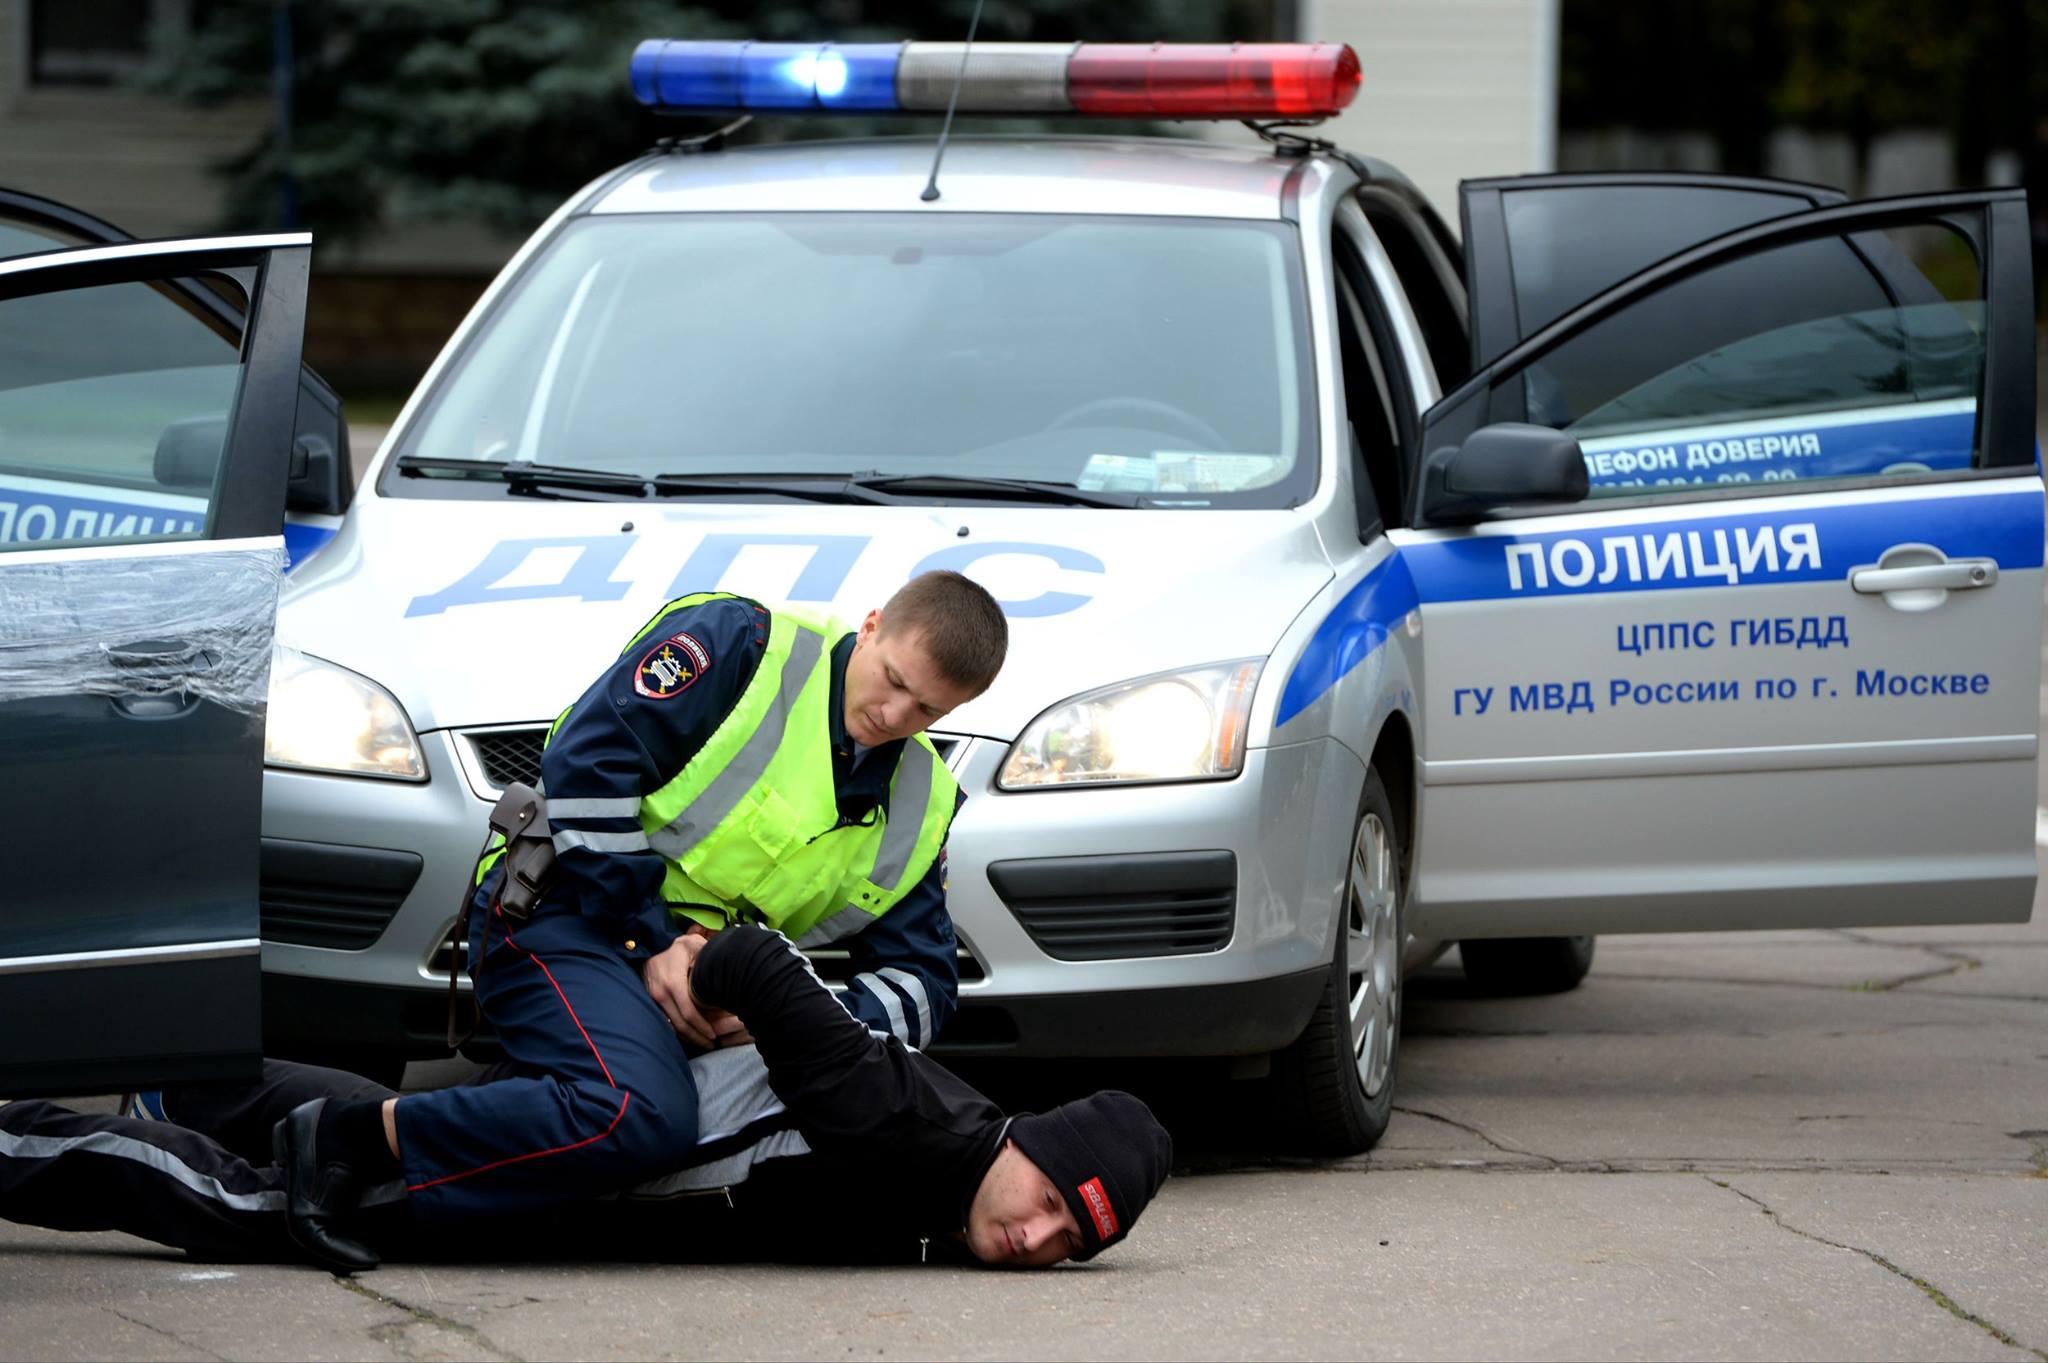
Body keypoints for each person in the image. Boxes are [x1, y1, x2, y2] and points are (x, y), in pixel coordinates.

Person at [272, 571, 1009, 1259]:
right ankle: (342, 1147)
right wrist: (648, 939)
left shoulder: (923, 803)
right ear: (873, 625)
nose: (893, 716)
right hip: (569, 913)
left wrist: (783, 1014)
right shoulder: (742, 644)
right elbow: (585, 764)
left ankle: (249, 1109)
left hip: (702, 992)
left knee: (549, 1115)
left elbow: (924, 986)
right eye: (894, 682)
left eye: (928, 711)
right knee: (636, 1114)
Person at [0, 925, 1173, 1270]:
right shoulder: (903, 1119)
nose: (1038, 1234)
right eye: (1054, 1201)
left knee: (324, 1117)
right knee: (259, 1206)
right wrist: (691, 980)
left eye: (1071, 1241)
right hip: (553, 1167)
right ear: (1033, 1141)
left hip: (558, 1160)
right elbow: (761, 963)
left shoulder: (943, 1177)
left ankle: (181, 1073)